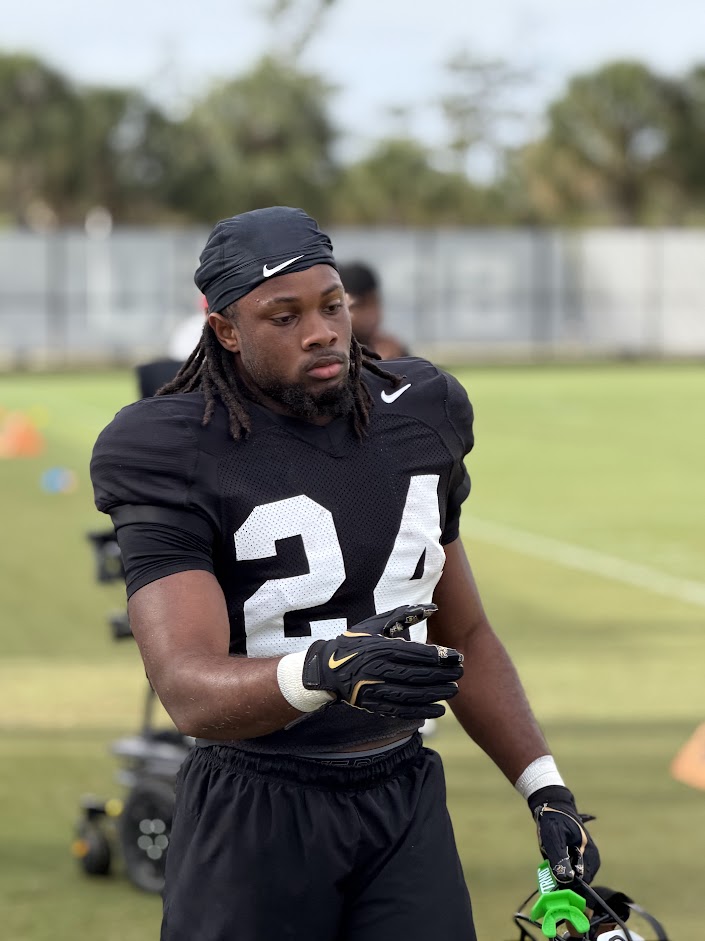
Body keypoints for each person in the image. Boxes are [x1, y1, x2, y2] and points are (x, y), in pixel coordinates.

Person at [90, 206, 600, 941]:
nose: (321, 329)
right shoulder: (170, 445)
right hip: (254, 803)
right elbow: (187, 688)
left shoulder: (420, 411)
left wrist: (544, 785)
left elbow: (465, 630)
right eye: (283, 315)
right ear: (225, 330)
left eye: (332, 305)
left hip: (401, 792)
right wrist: (320, 671)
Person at [337, 260, 410, 359]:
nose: (371, 315)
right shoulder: (334, 356)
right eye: (359, 305)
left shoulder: (394, 351)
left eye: (375, 303)